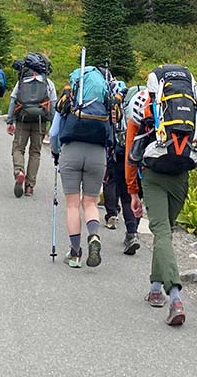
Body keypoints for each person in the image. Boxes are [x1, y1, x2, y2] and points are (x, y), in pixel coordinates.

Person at [125, 65, 197, 326]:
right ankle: (155, 287)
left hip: (153, 176)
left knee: (162, 233)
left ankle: (174, 296)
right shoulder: (191, 110)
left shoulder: (144, 108)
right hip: (181, 176)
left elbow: (132, 154)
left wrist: (132, 191)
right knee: (166, 231)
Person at [50, 64, 113, 268]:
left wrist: (55, 152)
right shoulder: (105, 101)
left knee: (72, 204)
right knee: (90, 203)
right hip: (97, 153)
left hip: (71, 151)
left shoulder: (70, 99)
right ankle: (93, 235)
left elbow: (54, 133)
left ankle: (75, 253)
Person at [6, 53, 56, 198]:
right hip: (40, 121)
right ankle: (29, 186)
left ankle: (19, 172)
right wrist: (52, 124)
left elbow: (13, 100)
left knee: (18, 148)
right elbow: (53, 104)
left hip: (22, 119)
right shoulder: (48, 83)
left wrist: (10, 121)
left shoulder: (22, 81)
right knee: (35, 152)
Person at [102, 81, 141, 255]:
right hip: (147, 158)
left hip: (123, 154)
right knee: (139, 196)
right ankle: (134, 231)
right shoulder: (150, 110)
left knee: (127, 196)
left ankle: (131, 233)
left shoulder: (121, 108)